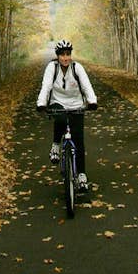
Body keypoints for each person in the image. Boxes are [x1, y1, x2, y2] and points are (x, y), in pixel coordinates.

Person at [37, 39, 97, 189]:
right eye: (62, 55)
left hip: (76, 105)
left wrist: (92, 101)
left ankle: (82, 175)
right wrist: (41, 103)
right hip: (58, 103)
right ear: (57, 56)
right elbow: (46, 86)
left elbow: (86, 86)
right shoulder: (52, 67)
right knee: (61, 119)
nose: (65, 58)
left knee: (78, 141)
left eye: (68, 54)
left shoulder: (77, 68)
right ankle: (56, 144)